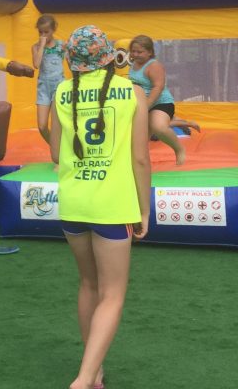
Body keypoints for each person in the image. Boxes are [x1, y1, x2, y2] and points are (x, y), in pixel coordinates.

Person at [49, 26, 151, 389]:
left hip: (74, 202)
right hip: (112, 205)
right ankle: (84, 378)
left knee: (88, 284)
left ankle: (95, 373)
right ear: (110, 57)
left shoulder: (62, 91)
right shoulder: (133, 92)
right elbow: (140, 158)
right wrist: (144, 210)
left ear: (73, 62)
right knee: (113, 294)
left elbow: (53, 153)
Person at [127, 35, 199, 166]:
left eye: (140, 52)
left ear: (149, 52)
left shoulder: (153, 66)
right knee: (140, 138)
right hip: (142, 104)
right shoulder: (134, 65)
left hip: (161, 103)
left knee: (159, 127)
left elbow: (158, 87)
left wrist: (147, 105)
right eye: (133, 51)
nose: (135, 54)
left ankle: (179, 149)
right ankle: (140, 164)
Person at [32, 14, 66, 144]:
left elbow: (70, 62)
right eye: (40, 32)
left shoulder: (60, 46)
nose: (43, 35)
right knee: (42, 126)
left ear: (53, 30)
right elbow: (36, 64)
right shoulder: (35, 47)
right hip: (43, 89)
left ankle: (58, 155)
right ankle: (56, 148)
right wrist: (41, 45)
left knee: (58, 125)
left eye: (47, 32)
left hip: (58, 87)